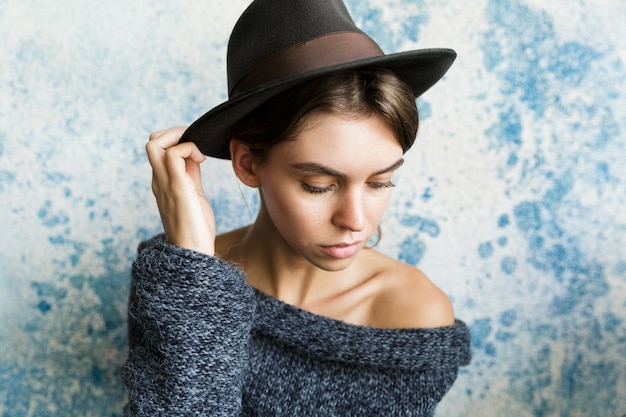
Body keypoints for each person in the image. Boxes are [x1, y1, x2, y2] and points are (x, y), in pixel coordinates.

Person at [121, 0, 471, 415]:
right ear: (249, 164)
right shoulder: (178, 277)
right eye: (319, 185)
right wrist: (195, 270)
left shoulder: (412, 316)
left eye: (380, 182)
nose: (355, 221)